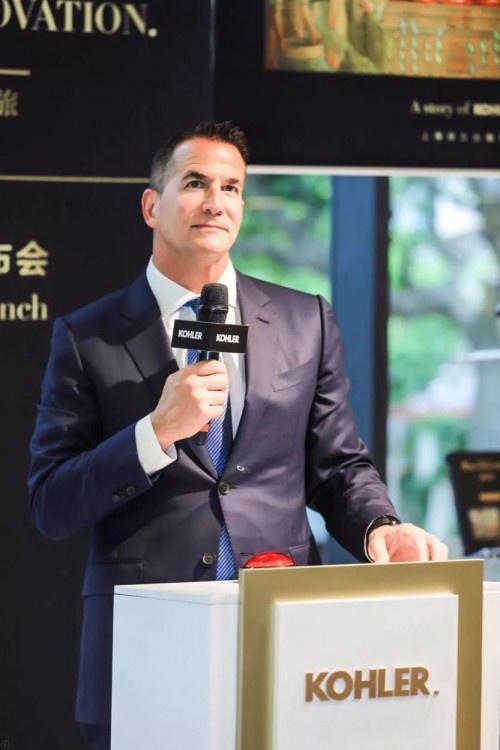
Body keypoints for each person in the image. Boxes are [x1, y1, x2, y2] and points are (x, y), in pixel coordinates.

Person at [28, 121, 447, 750]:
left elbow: (338, 467)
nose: (216, 202)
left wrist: (379, 526)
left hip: (284, 635)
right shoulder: (88, 336)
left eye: (232, 187)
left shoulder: (305, 319)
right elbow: (51, 502)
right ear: (152, 205)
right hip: (145, 641)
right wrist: (155, 433)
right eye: (196, 183)